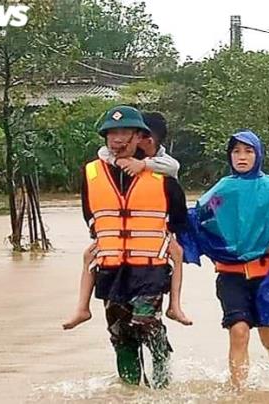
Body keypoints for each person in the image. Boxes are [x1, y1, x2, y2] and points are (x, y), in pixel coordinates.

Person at [69, 105, 189, 388]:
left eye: (125, 132)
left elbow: (179, 217)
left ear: (139, 137)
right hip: (110, 269)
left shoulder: (162, 175)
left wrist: (171, 241)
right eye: (112, 133)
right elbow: (91, 214)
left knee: (146, 322)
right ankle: (132, 392)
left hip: (150, 269)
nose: (118, 139)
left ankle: (162, 388)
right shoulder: (91, 173)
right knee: (121, 337)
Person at [180, 130, 269, 389]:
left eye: (248, 151)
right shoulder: (223, 189)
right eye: (236, 151)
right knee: (239, 332)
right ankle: (240, 392)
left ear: (258, 154)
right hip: (232, 274)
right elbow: (200, 215)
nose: (242, 157)